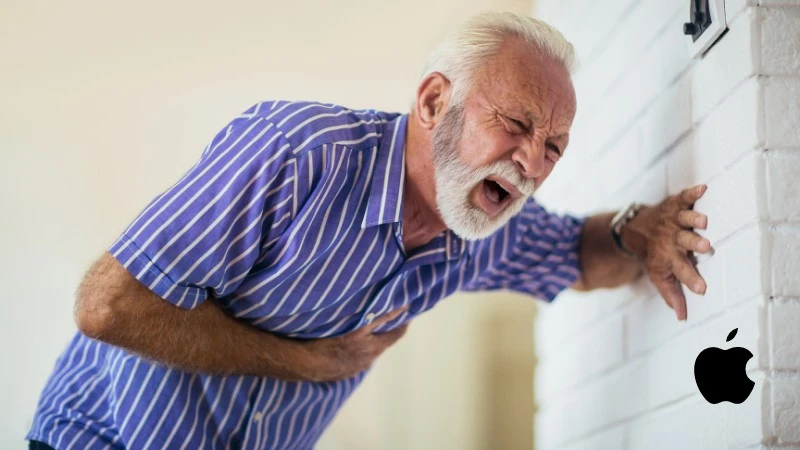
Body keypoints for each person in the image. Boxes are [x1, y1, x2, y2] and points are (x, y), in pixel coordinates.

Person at [27, 11, 712, 449]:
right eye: (516, 124)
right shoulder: (296, 153)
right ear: (434, 100)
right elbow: (109, 305)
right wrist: (309, 361)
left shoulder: (482, 226)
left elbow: (579, 255)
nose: (533, 163)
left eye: (555, 147)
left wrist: (640, 231)